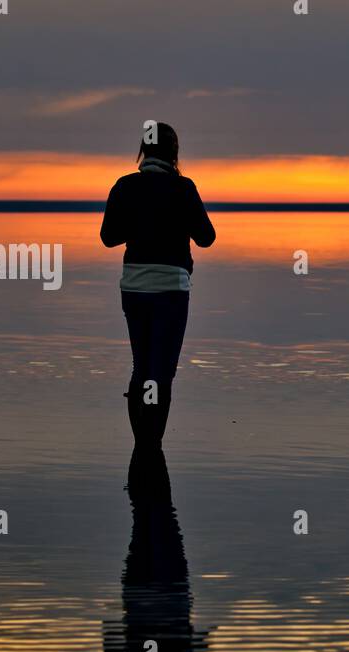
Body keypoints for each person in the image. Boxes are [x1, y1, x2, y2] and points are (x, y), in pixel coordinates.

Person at [100, 123, 216, 448]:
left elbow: (109, 237)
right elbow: (207, 238)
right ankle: (152, 446)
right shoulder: (183, 188)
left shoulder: (124, 187)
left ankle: (141, 443)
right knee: (161, 371)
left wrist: (140, 224)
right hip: (171, 291)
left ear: (143, 151)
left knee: (142, 366)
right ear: (174, 153)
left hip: (134, 288)